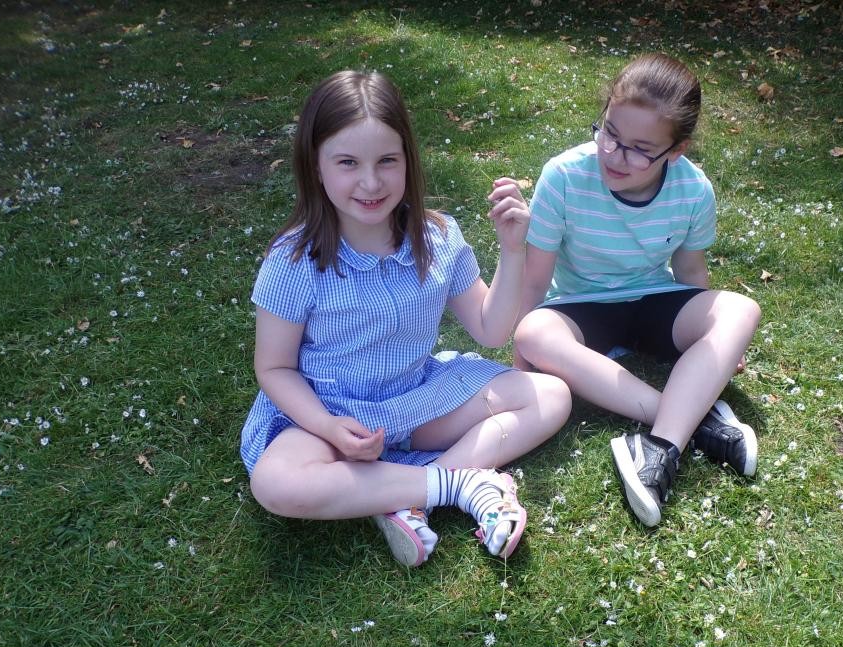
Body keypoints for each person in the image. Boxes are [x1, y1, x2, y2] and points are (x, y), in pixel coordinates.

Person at [240, 71, 571, 566]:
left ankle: (408, 496)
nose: (371, 182)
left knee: (551, 395)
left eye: (387, 161)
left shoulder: (437, 238)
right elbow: (274, 368)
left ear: (408, 160)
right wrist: (328, 427)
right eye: (348, 163)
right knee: (276, 483)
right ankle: (455, 484)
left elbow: (491, 329)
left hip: (415, 404)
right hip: (323, 415)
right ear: (316, 166)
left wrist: (511, 249)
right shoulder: (294, 261)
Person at [513, 53, 761, 527]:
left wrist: (713, 342)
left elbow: (690, 271)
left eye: (640, 149)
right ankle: (690, 422)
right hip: (579, 308)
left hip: (653, 302)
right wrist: (520, 360)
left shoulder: (694, 190)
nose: (614, 155)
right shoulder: (563, 176)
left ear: (676, 150)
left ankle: (657, 446)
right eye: (609, 133)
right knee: (533, 333)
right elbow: (535, 280)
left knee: (741, 311)